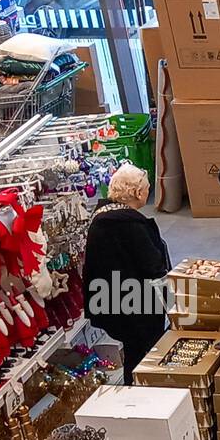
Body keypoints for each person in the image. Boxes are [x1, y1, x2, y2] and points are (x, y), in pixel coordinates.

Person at [81, 164, 170, 384]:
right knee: (143, 354)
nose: (148, 193)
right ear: (137, 193)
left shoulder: (101, 218)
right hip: (137, 306)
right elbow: (153, 264)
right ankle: (143, 392)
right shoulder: (131, 225)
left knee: (133, 351)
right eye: (148, 189)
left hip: (110, 302)